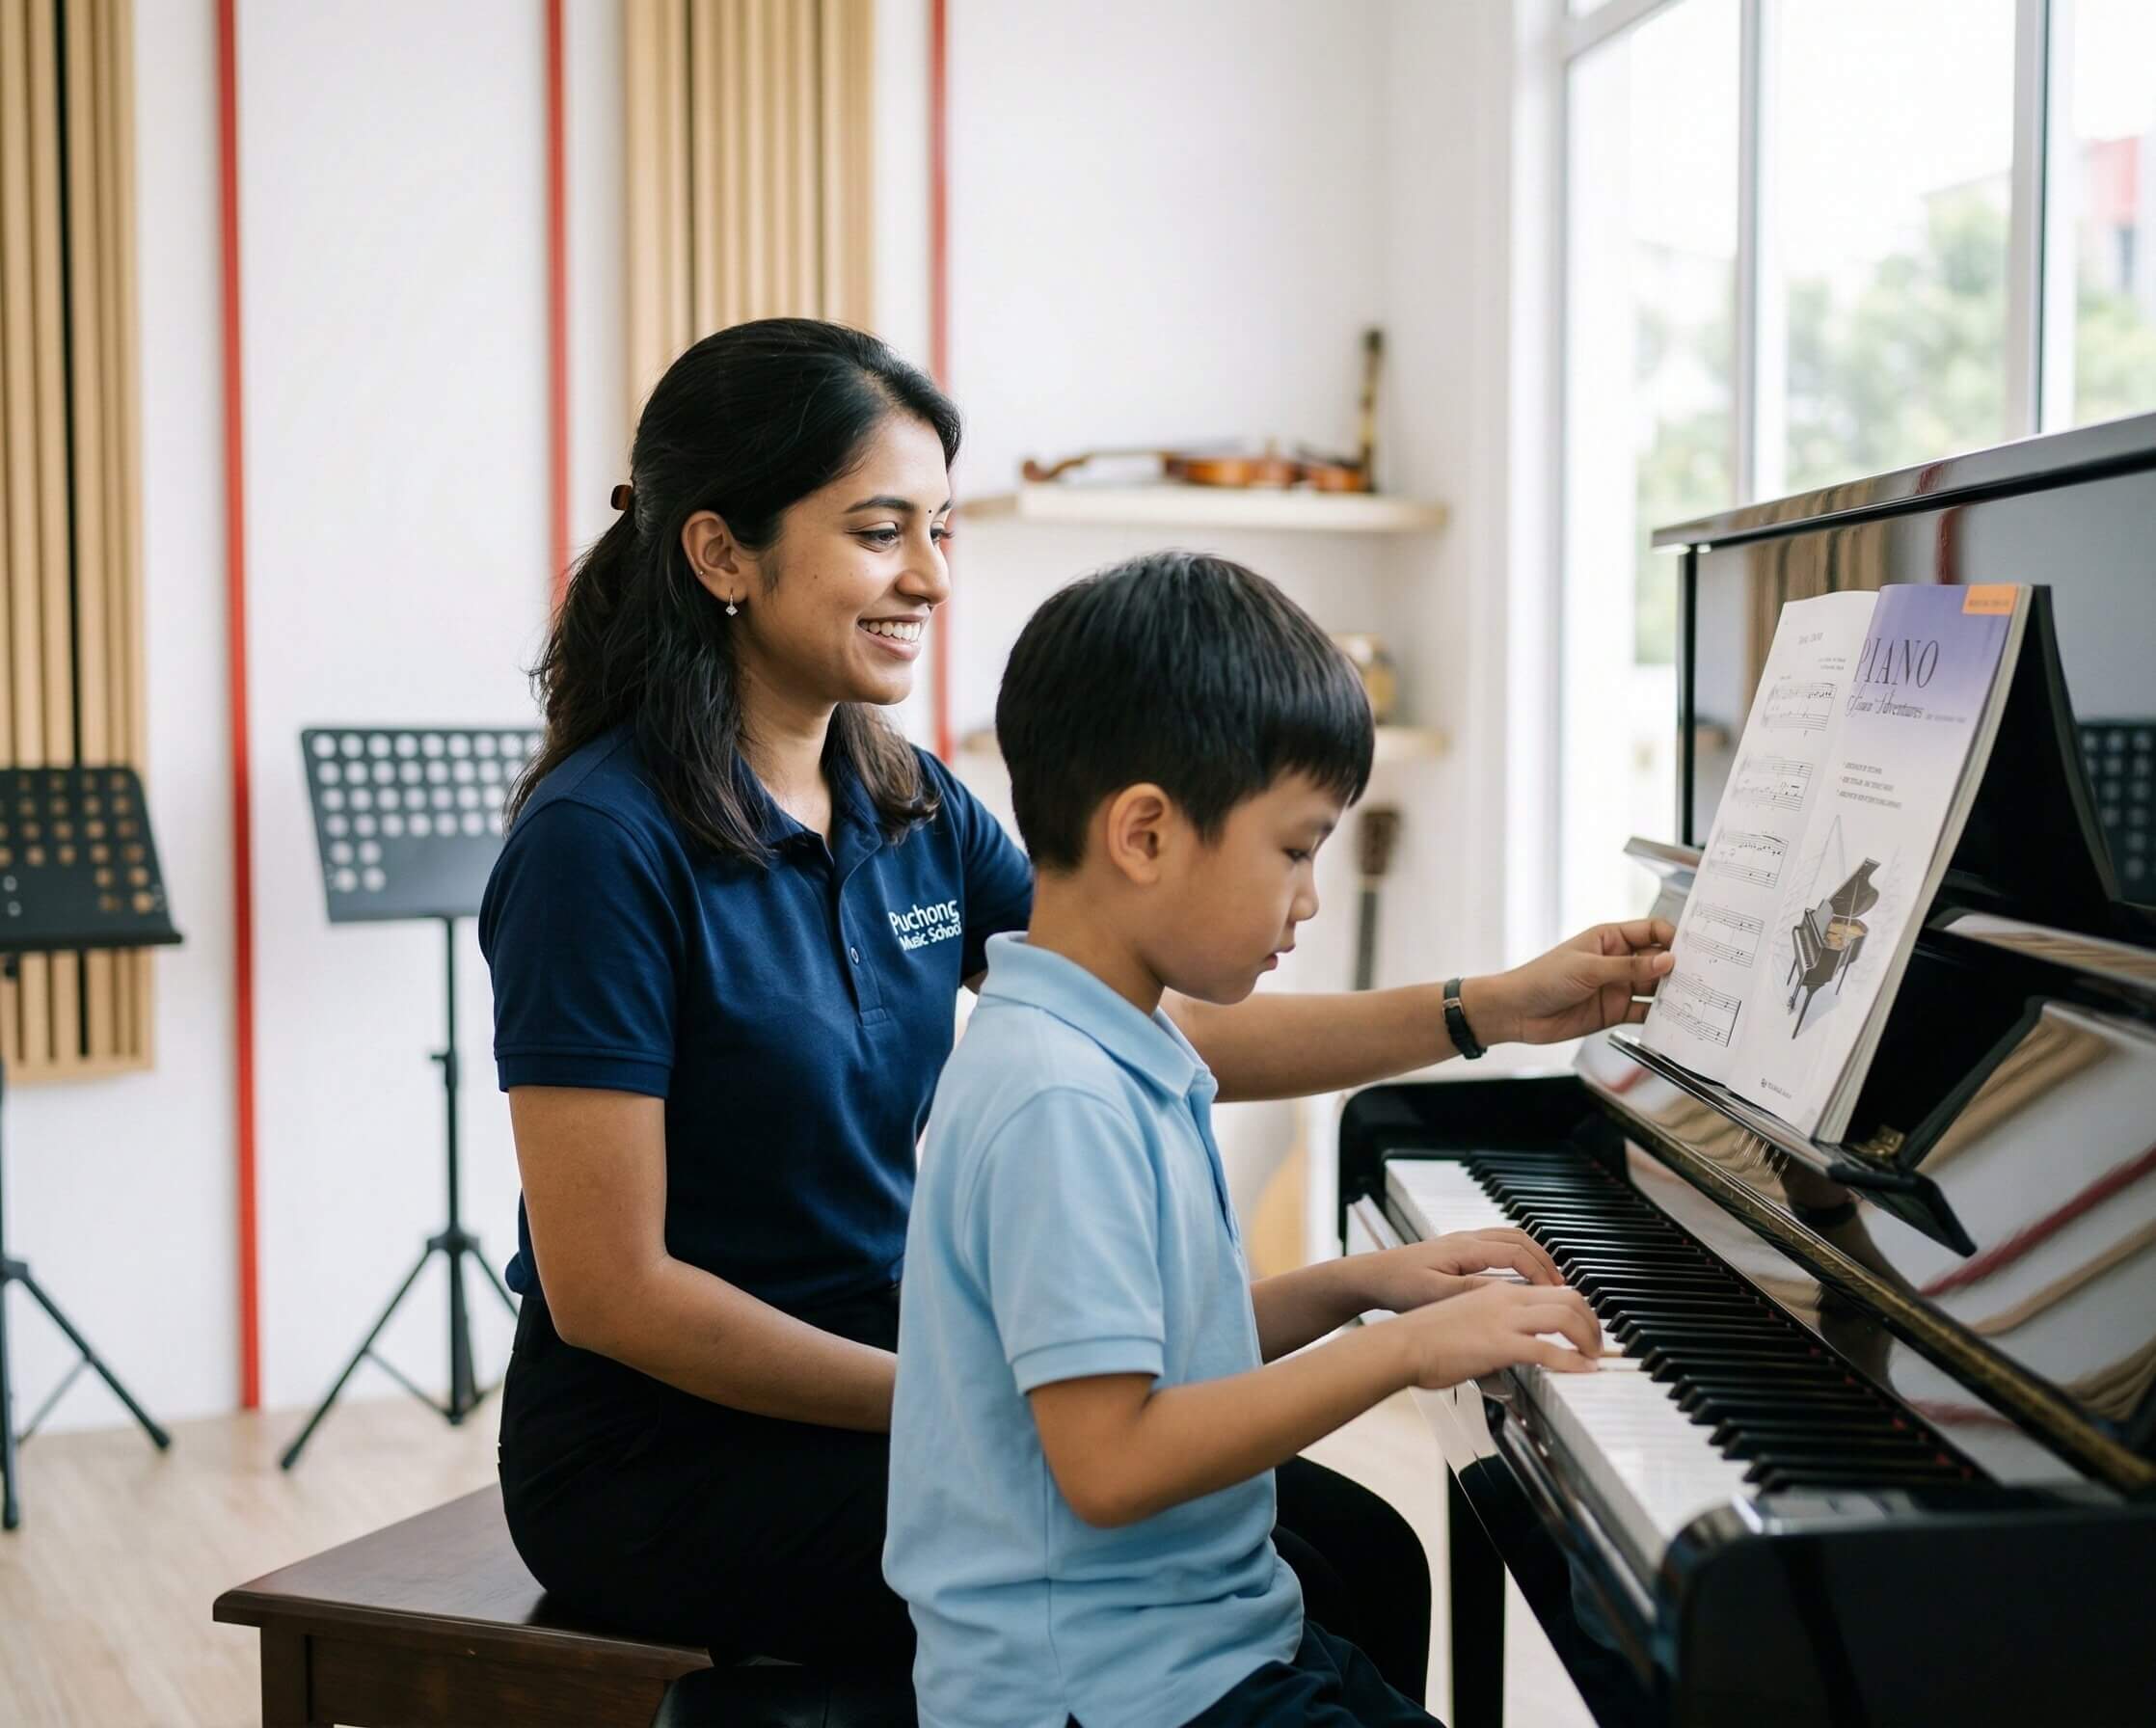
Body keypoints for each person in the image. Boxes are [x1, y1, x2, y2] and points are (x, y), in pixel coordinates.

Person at [479, 318, 1672, 1686]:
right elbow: (616, 1295)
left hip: (906, 1363)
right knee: (1299, 1571)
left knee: (1363, 1555)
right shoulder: (598, 845)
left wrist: (1491, 1010)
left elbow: (1150, 1018)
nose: (928, 576)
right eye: (880, 532)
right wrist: (963, 1404)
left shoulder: (907, 799)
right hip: (670, 1455)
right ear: (720, 553)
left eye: (939, 531)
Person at [885, 552, 1654, 1727]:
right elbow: (1112, 1459)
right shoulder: (1059, 1100)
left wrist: (1359, 1285)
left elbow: (1151, 1359)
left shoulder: (1105, 1046)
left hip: (1194, 1647)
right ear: (1144, 833)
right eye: (1294, 849)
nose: (1307, 897)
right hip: (1105, 1696)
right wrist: (1402, 1352)